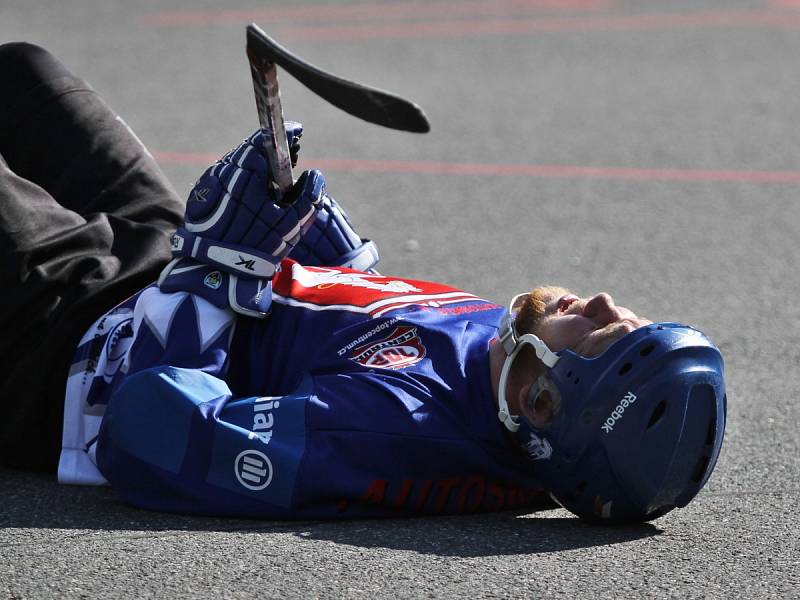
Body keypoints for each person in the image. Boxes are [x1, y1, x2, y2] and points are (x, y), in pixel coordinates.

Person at [0, 42, 727, 524]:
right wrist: (325, 246)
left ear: (545, 403)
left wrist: (216, 266)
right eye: (627, 315)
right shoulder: (508, 366)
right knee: (26, 74)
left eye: (600, 335)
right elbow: (378, 339)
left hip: (63, 342)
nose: (601, 303)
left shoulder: (390, 429)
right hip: (160, 271)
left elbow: (157, 435)